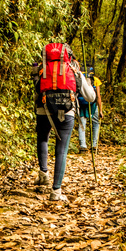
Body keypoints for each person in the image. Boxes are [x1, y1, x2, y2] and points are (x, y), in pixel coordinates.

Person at [33, 45, 77, 202]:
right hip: (66, 111)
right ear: (68, 56)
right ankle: (56, 191)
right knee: (61, 149)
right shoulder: (73, 68)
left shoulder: (41, 68)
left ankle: (43, 174)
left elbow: (37, 88)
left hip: (43, 108)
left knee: (43, 138)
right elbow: (91, 96)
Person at [77, 65, 102, 154]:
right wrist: (100, 110)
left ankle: (83, 146)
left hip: (81, 103)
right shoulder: (95, 80)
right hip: (93, 104)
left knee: (82, 124)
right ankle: (94, 146)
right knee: (95, 123)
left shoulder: (79, 77)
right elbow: (98, 96)